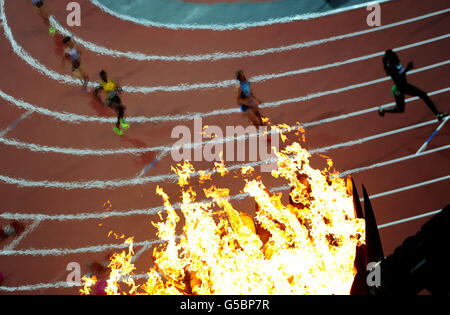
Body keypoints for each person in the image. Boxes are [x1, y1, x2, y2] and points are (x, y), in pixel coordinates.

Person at [379, 50, 448, 121]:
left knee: (403, 107)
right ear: (391, 58)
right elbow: (399, 78)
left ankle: (383, 110)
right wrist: (407, 69)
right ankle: (438, 114)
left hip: (404, 85)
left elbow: (401, 75)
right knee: (420, 96)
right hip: (400, 89)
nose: (396, 55)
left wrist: (406, 69)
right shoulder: (391, 68)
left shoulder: (396, 63)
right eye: (394, 54)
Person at [94, 70, 130, 136]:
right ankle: (119, 125)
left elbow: (118, 86)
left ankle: (119, 125)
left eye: (104, 75)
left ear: (106, 75)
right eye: (103, 76)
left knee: (121, 111)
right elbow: (95, 92)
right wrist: (100, 101)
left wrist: (119, 89)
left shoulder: (111, 81)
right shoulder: (102, 85)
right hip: (110, 101)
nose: (104, 77)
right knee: (120, 108)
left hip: (116, 99)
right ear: (101, 77)